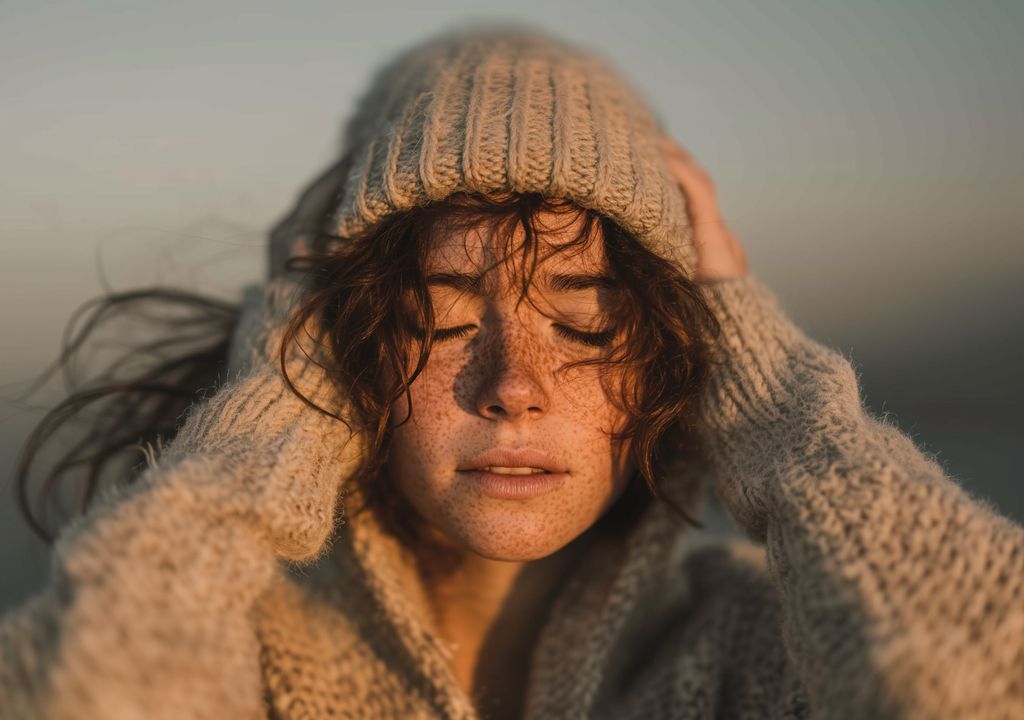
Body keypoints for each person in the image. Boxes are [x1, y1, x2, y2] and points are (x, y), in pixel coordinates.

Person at [2, 22, 1022, 720]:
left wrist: (783, 418)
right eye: (439, 319)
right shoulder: (232, 652)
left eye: (586, 322)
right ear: (342, 345)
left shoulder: (763, 654)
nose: (512, 383)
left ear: (683, 353)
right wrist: (269, 419)